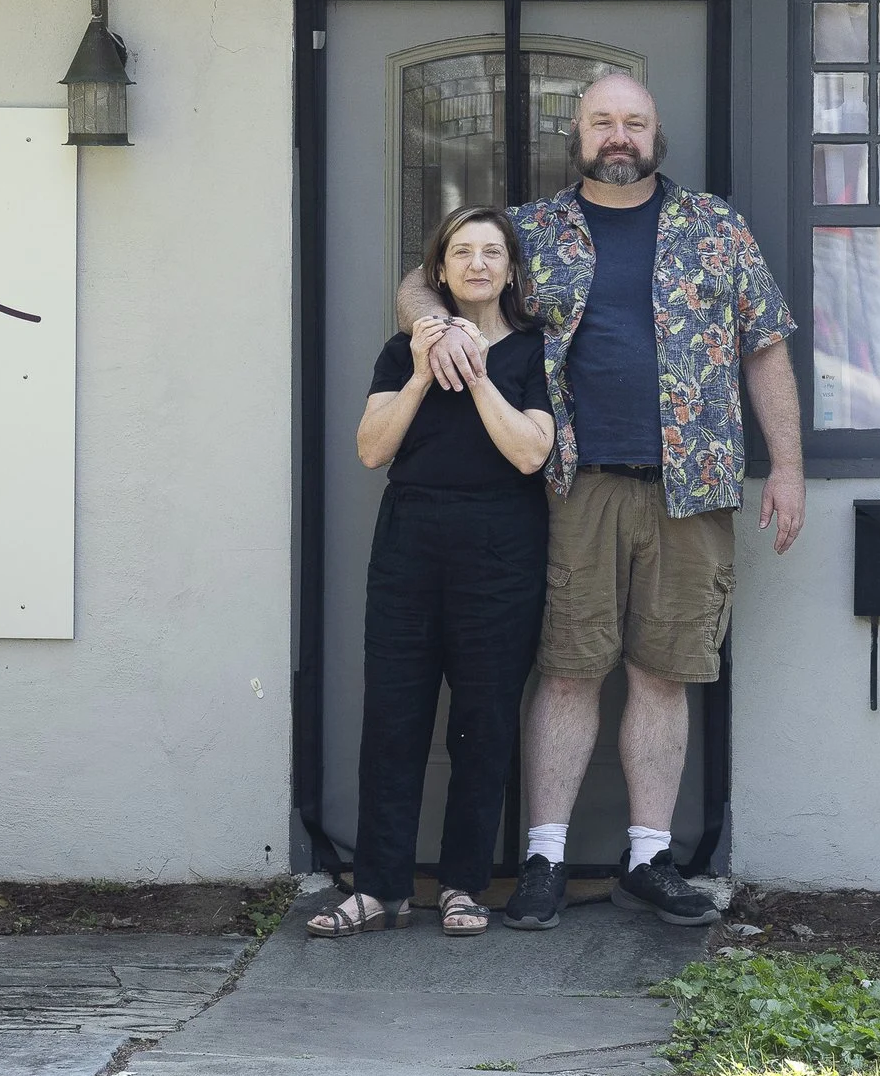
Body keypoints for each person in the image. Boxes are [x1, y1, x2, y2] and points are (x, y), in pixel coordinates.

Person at [396, 72, 803, 930]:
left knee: (663, 674)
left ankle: (648, 860)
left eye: (635, 123)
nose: (619, 137)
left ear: (658, 135)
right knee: (571, 670)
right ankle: (543, 859)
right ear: (576, 136)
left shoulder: (716, 228)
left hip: (693, 489)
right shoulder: (532, 232)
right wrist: (430, 325)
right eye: (603, 123)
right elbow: (428, 278)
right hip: (569, 486)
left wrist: (789, 470)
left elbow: (764, 345)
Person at [308, 205, 556, 941]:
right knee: (394, 715)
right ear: (440, 270)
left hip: (501, 550)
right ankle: (380, 889)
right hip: (410, 543)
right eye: (461, 252)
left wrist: (477, 374)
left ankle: (462, 886)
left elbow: (529, 453)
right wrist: (422, 372)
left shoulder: (535, 354)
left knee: (484, 720)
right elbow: (370, 449)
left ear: (510, 269)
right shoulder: (399, 350)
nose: (477, 264)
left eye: (491, 252)